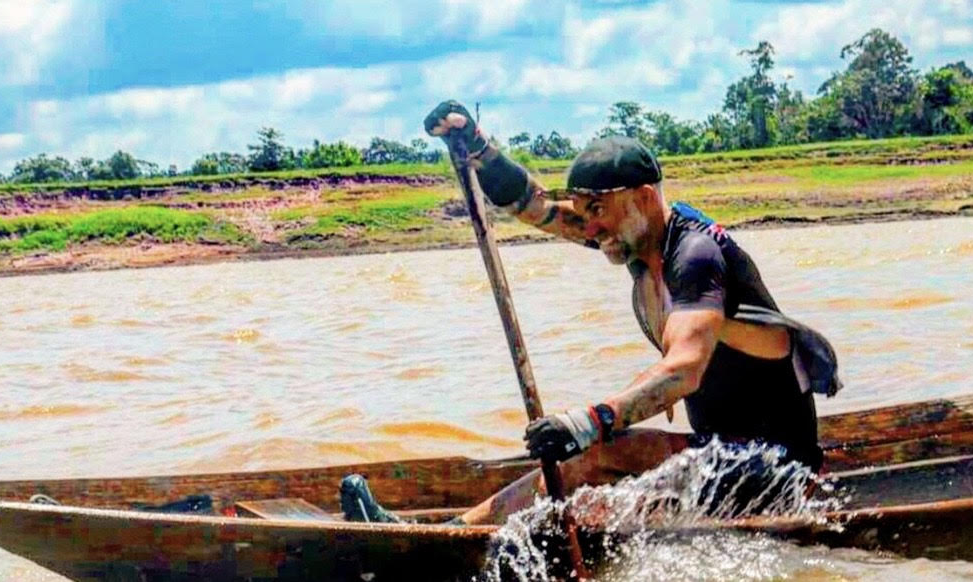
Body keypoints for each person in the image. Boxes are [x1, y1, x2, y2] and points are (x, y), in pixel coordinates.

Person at [340, 101, 841, 526]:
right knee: (590, 470)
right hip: (715, 451)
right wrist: (479, 147)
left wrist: (588, 422)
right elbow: (535, 207)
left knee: (596, 453)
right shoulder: (639, 243)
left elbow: (685, 370)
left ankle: (450, 537)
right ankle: (459, 532)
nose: (589, 225)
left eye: (597, 209)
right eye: (585, 209)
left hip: (777, 471)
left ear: (643, 199)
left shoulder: (695, 256)